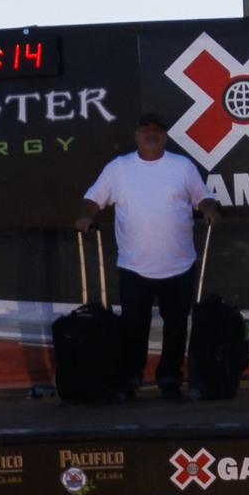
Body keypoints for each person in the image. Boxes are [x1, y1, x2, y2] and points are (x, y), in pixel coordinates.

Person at [76, 116, 214, 398]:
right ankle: (130, 380)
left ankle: (170, 379)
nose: (152, 135)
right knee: (133, 328)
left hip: (179, 264)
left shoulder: (182, 166)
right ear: (136, 136)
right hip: (134, 266)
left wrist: (210, 209)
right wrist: (84, 216)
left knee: (176, 327)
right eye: (146, 131)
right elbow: (93, 198)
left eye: (158, 131)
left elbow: (202, 197)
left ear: (165, 137)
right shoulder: (119, 168)